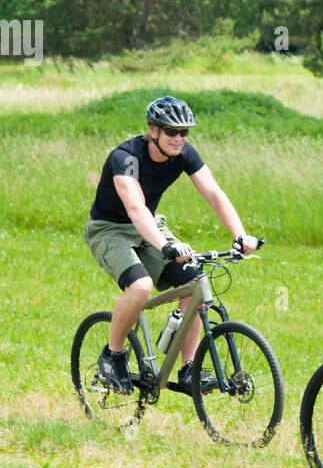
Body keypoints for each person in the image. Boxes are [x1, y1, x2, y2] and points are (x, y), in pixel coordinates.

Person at [83, 96, 260, 394]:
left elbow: (214, 193)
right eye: (171, 132)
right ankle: (112, 357)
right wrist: (166, 247)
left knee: (196, 281)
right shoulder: (125, 157)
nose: (179, 138)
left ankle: (189, 369)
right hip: (110, 229)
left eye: (184, 132)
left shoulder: (184, 154)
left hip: (150, 226)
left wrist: (240, 235)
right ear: (153, 130)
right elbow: (135, 208)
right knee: (140, 287)